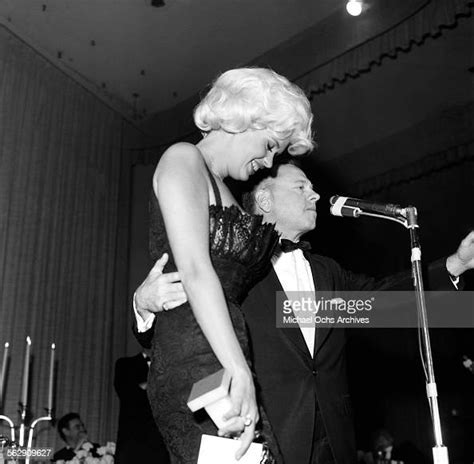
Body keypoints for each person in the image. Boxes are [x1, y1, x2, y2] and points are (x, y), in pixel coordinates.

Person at [134, 159, 474, 464]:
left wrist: (456, 265)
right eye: (301, 187)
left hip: (336, 442)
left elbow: (386, 306)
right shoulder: (232, 268)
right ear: (265, 199)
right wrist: (143, 307)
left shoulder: (326, 273)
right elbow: (185, 333)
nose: (314, 195)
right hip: (267, 438)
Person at [144, 67, 314, 463]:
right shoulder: (183, 158)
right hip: (199, 363)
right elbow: (195, 268)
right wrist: (238, 370)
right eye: (271, 144)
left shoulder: (229, 194)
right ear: (244, 117)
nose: (271, 160)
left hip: (226, 358)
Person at [114, 350, 170, 463]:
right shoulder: (125, 364)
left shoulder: (169, 366)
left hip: (161, 446)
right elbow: (127, 393)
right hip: (133, 446)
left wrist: (144, 386)